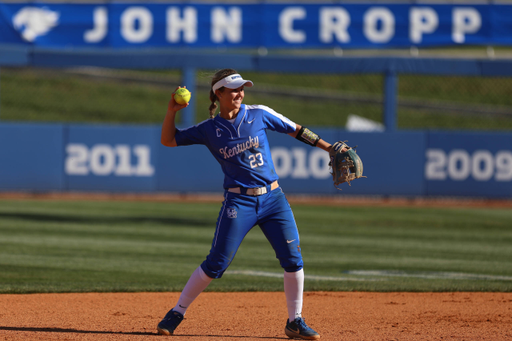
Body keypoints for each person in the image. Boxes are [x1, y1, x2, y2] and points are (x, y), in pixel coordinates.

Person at [158, 68, 340, 340]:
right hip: (238, 201)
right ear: (218, 94)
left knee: (293, 259)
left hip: (273, 199)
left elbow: (296, 130)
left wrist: (330, 148)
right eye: (233, 89)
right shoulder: (209, 129)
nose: (239, 93)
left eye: (242, 88)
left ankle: (295, 321)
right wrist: (172, 111)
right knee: (216, 263)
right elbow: (168, 140)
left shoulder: (259, 113)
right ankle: (177, 312)